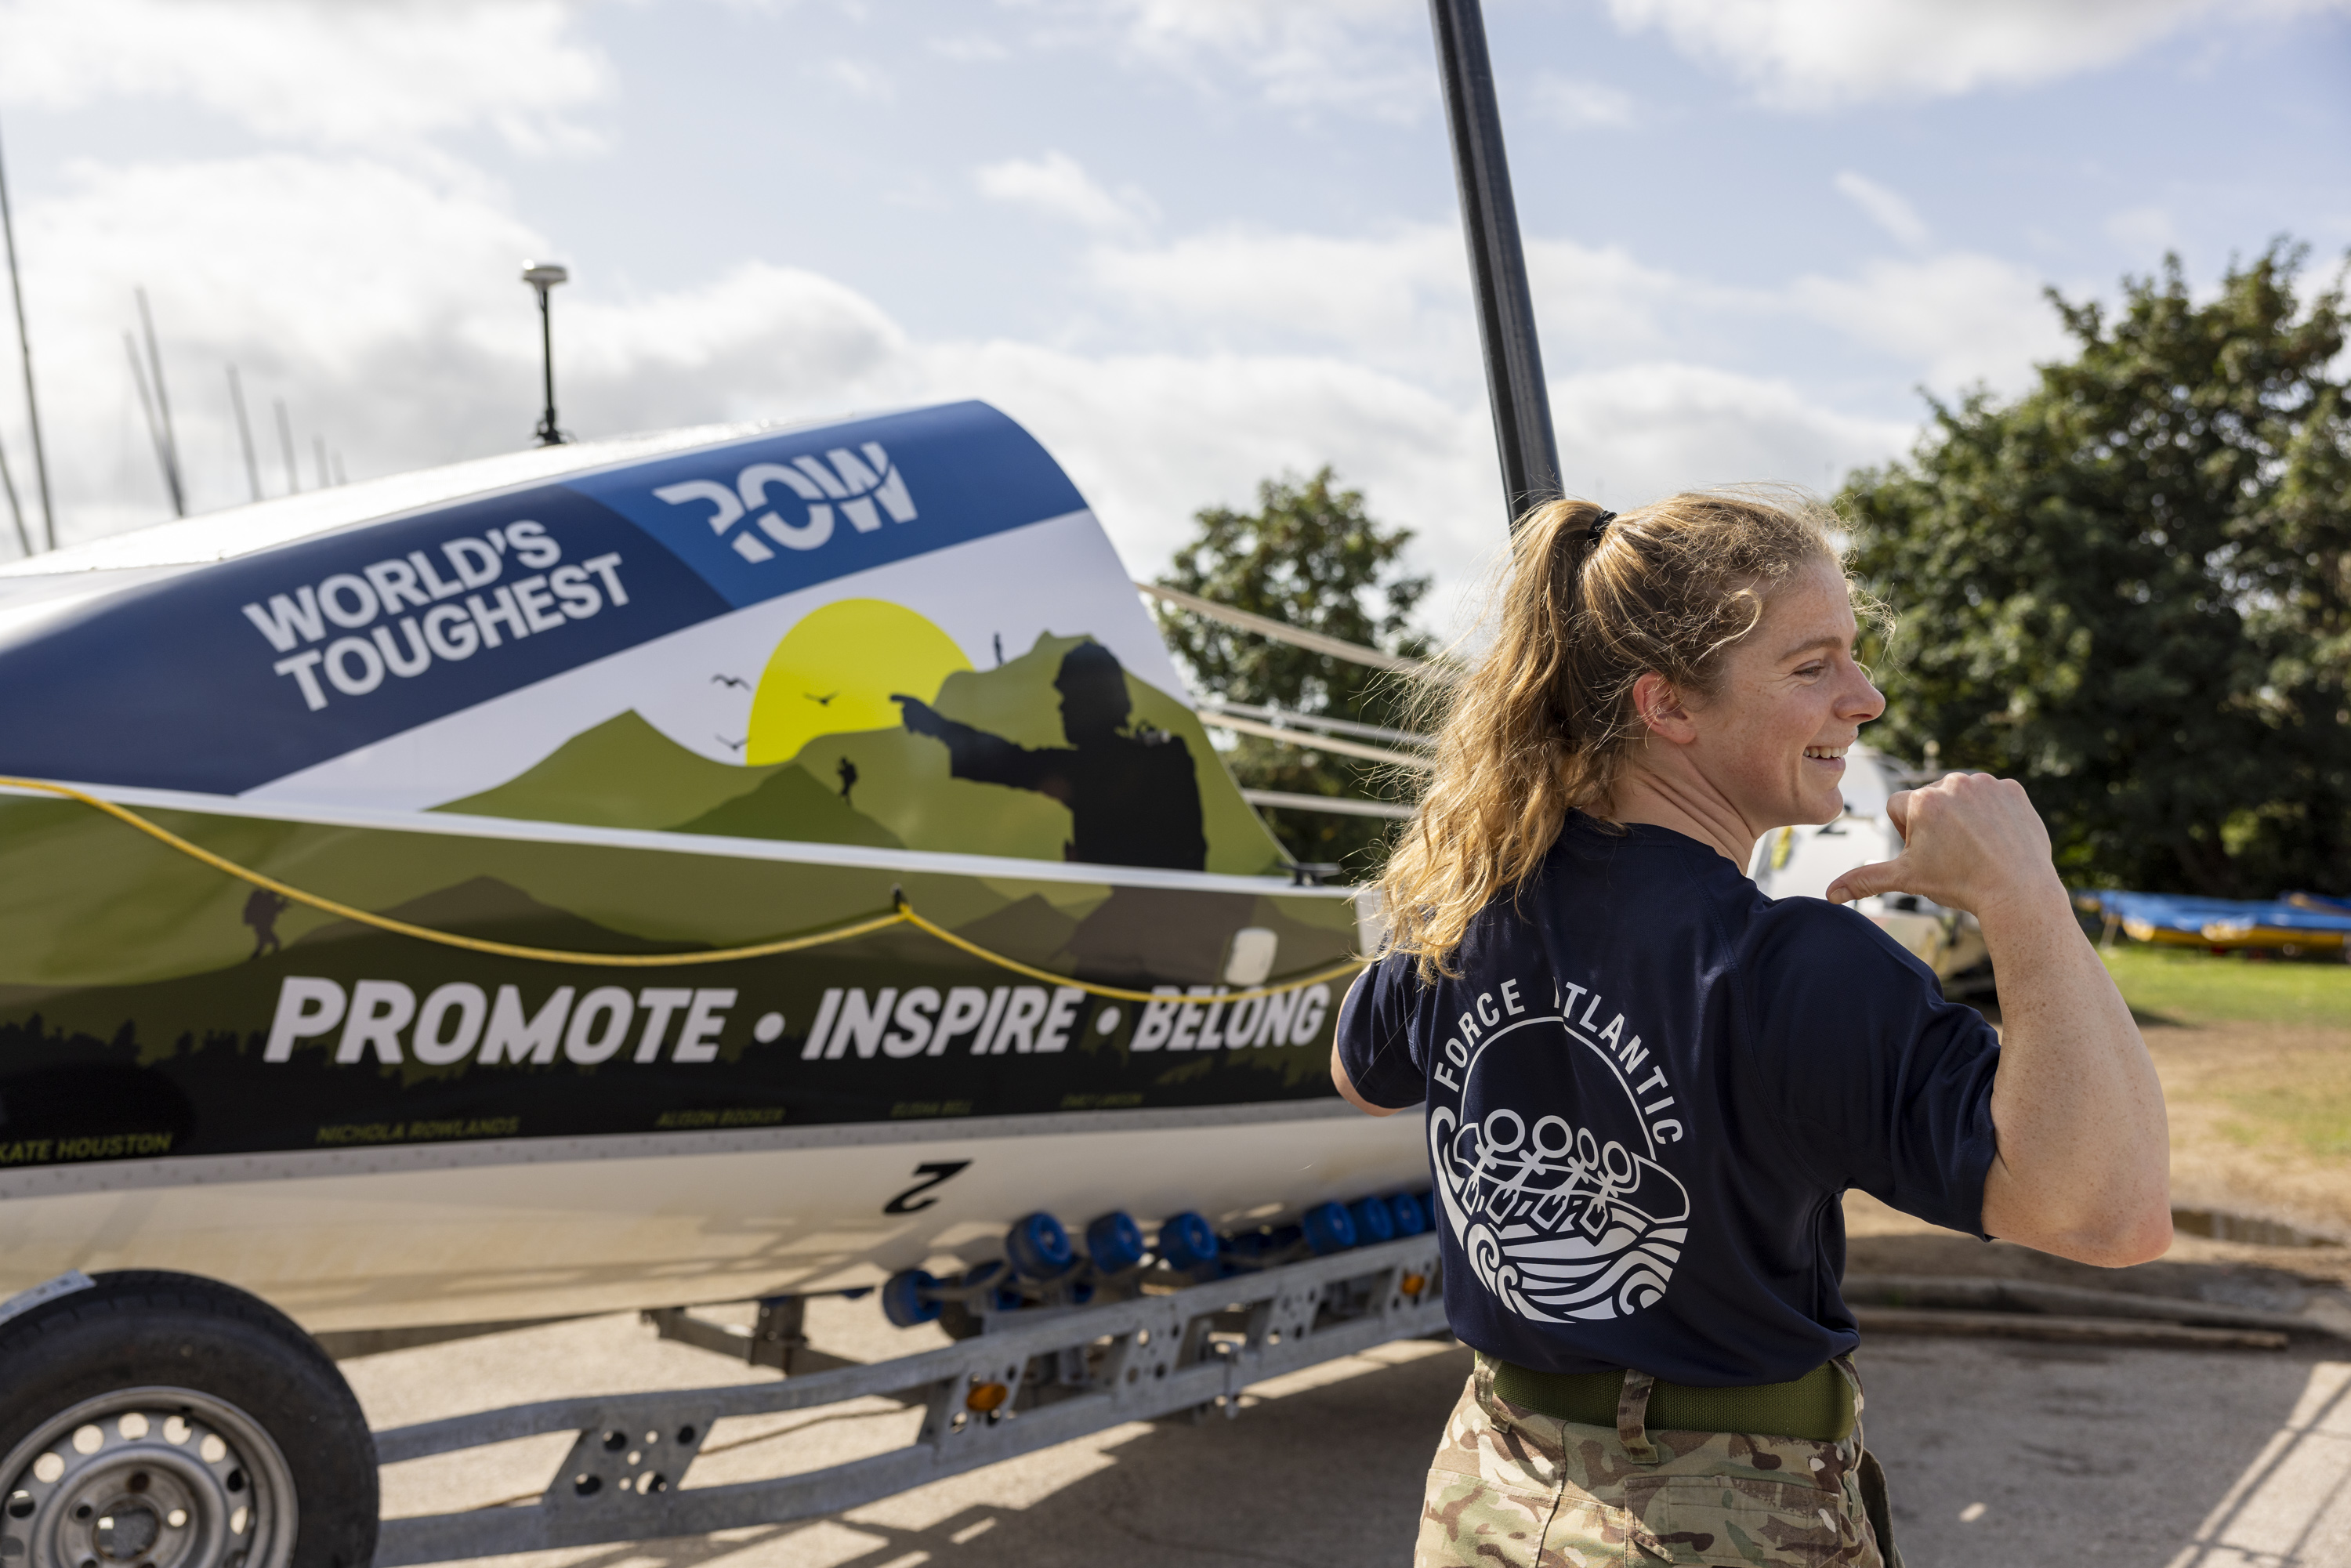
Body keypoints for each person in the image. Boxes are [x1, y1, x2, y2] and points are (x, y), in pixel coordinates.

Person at [1332, 492, 2170, 1567]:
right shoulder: (1795, 970)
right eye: (1812, 666)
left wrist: (1485, 841)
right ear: (1669, 706)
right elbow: (2113, 1214)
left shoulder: (1476, 907)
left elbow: (1363, 1072)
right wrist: (2026, 898)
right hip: (1718, 1522)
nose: (1863, 699)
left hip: (1490, 1494)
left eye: (1853, 658)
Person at [894, 640, 1208, 871]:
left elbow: (1013, 762)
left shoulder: (1106, 767)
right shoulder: (1157, 756)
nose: (1061, 708)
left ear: (1091, 701)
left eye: (1069, 698)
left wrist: (938, 728)